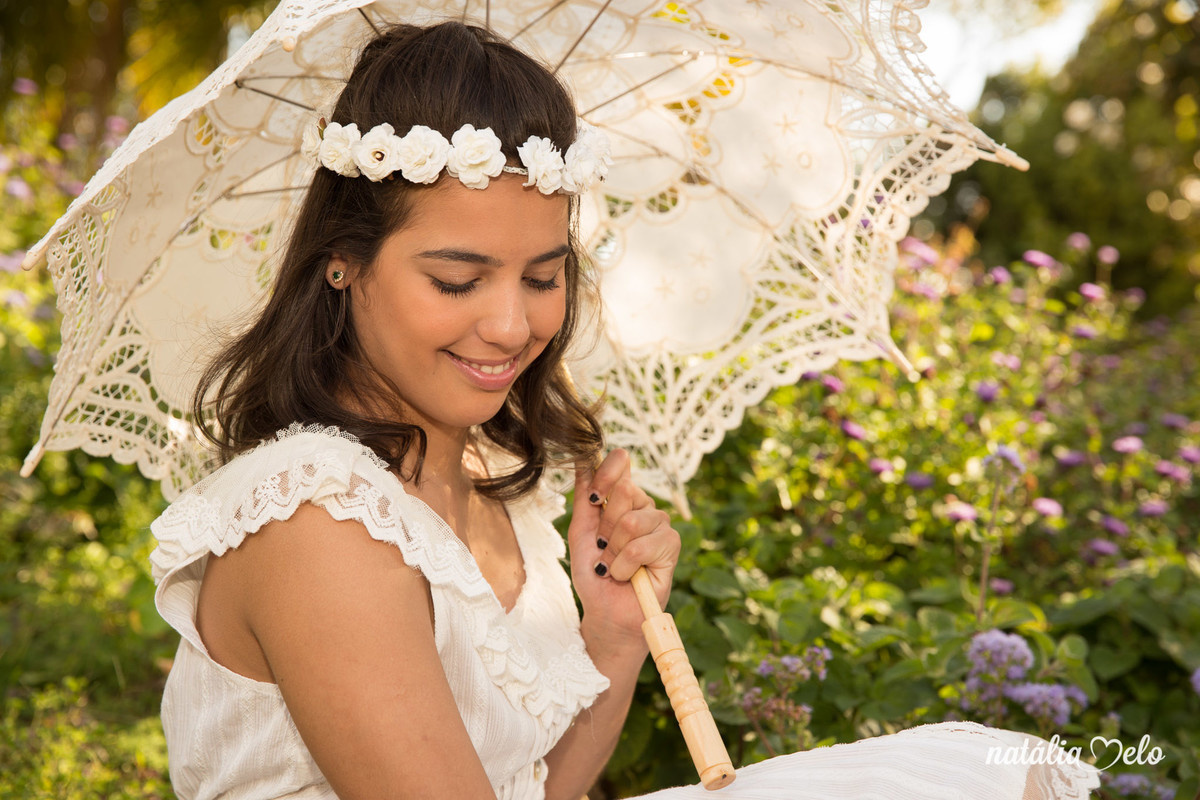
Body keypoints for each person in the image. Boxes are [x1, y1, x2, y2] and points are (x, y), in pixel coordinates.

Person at [148, 19, 1100, 800]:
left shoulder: (490, 483)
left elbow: (531, 791)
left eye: (543, 276)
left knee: (988, 772)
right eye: (457, 280)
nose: (512, 325)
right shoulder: (317, 518)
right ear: (343, 264)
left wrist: (611, 635)